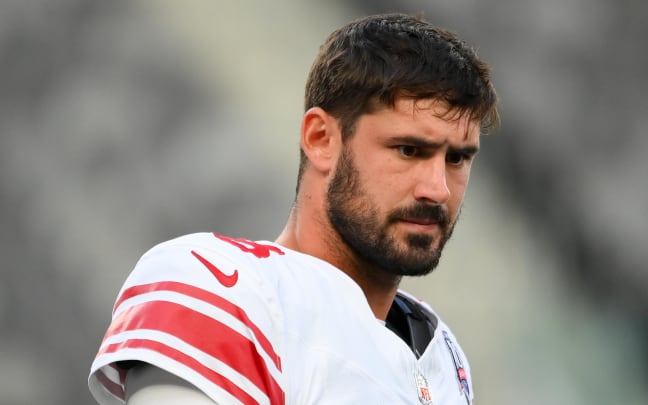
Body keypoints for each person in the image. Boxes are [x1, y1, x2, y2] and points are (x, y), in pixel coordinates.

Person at [88, 12, 499, 405]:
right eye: (409, 150)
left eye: (457, 159)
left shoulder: (441, 352)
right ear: (321, 139)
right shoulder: (226, 290)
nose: (437, 189)